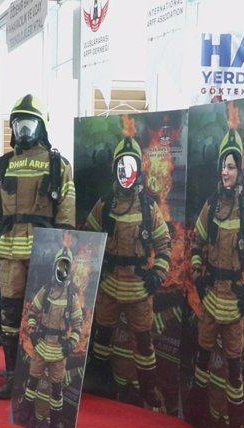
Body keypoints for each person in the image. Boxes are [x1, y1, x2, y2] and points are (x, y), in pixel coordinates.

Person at [0, 94, 76, 399]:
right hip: (10, 255)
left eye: (29, 123)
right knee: (10, 318)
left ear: (41, 126)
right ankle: (13, 376)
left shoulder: (58, 165)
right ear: (12, 127)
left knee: (47, 318)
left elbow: (66, 213)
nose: (23, 130)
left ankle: (44, 377)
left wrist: (64, 256)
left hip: (45, 255)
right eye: (18, 124)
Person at [84, 137, 171, 411]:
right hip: (109, 284)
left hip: (139, 287)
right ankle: (99, 382)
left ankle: (149, 391)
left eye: (131, 167)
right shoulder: (105, 204)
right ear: (115, 170)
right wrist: (94, 272)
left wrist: (157, 275)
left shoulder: (148, 207)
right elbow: (87, 238)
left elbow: (164, 244)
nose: (126, 173)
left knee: (144, 342)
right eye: (121, 167)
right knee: (102, 338)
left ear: (139, 172)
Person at [190, 127, 244, 428]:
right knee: (202, 358)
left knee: (234, 367)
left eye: (231, 166)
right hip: (210, 298)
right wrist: (198, 276)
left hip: (233, 301)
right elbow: (196, 243)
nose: (225, 171)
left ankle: (236, 426)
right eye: (223, 166)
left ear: (239, 170)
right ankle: (198, 415)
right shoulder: (211, 205)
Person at [21, 246, 84, 428]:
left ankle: (56, 422)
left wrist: (71, 343)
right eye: (60, 265)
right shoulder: (46, 290)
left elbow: (77, 323)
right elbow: (32, 312)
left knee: (57, 389)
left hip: (58, 349)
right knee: (32, 382)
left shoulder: (72, 297)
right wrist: (33, 333)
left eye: (66, 266)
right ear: (55, 266)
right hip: (41, 346)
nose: (62, 270)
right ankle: (26, 413)